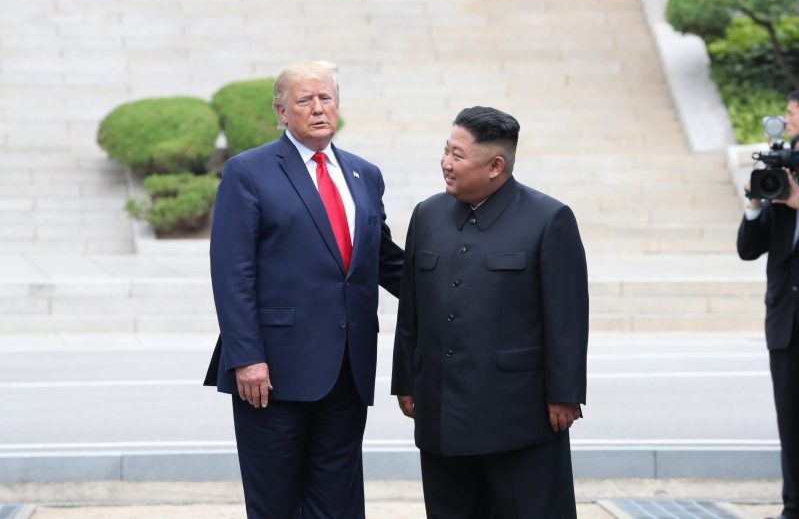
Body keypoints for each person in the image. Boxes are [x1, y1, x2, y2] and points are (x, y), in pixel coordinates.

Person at [204, 60, 403, 519]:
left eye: (326, 98)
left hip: (347, 369)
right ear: (281, 112)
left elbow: (384, 260)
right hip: (272, 373)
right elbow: (232, 273)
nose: (318, 109)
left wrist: (455, 293)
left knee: (340, 500)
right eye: (305, 100)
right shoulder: (248, 172)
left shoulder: (364, 175)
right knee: (276, 501)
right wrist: (246, 357)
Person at [391, 106, 588, 518]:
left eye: (458, 155)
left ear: (496, 165)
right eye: (446, 150)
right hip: (441, 411)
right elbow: (411, 309)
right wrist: (406, 381)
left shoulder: (548, 219)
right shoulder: (427, 215)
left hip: (519, 415)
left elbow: (566, 317)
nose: (446, 163)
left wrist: (565, 394)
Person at [738, 90, 799, 519]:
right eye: (790, 111)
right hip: (787, 324)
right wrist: (757, 201)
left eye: (796, 111)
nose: (790, 116)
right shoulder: (778, 166)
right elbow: (747, 249)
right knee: (791, 427)